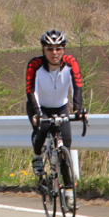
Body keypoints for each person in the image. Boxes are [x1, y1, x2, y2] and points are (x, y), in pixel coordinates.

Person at [25, 29, 85, 200]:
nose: (54, 53)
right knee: (41, 129)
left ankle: (68, 192)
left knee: (65, 145)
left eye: (58, 48)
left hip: (61, 107)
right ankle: (37, 156)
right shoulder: (35, 65)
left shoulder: (71, 63)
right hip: (40, 107)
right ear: (43, 50)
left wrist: (78, 109)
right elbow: (31, 91)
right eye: (50, 49)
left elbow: (77, 86)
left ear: (64, 49)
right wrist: (37, 113)